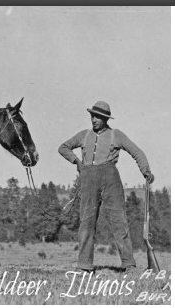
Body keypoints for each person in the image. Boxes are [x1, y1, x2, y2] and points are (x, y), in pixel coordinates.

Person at [58, 101, 154, 273]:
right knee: (86, 223)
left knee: (119, 223)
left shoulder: (116, 135)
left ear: (105, 118)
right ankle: (84, 266)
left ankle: (129, 265)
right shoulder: (84, 135)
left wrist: (146, 171)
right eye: (92, 116)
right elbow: (63, 148)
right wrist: (77, 162)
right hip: (88, 180)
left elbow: (137, 152)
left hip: (111, 180)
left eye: (97, 117)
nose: (93, 120)